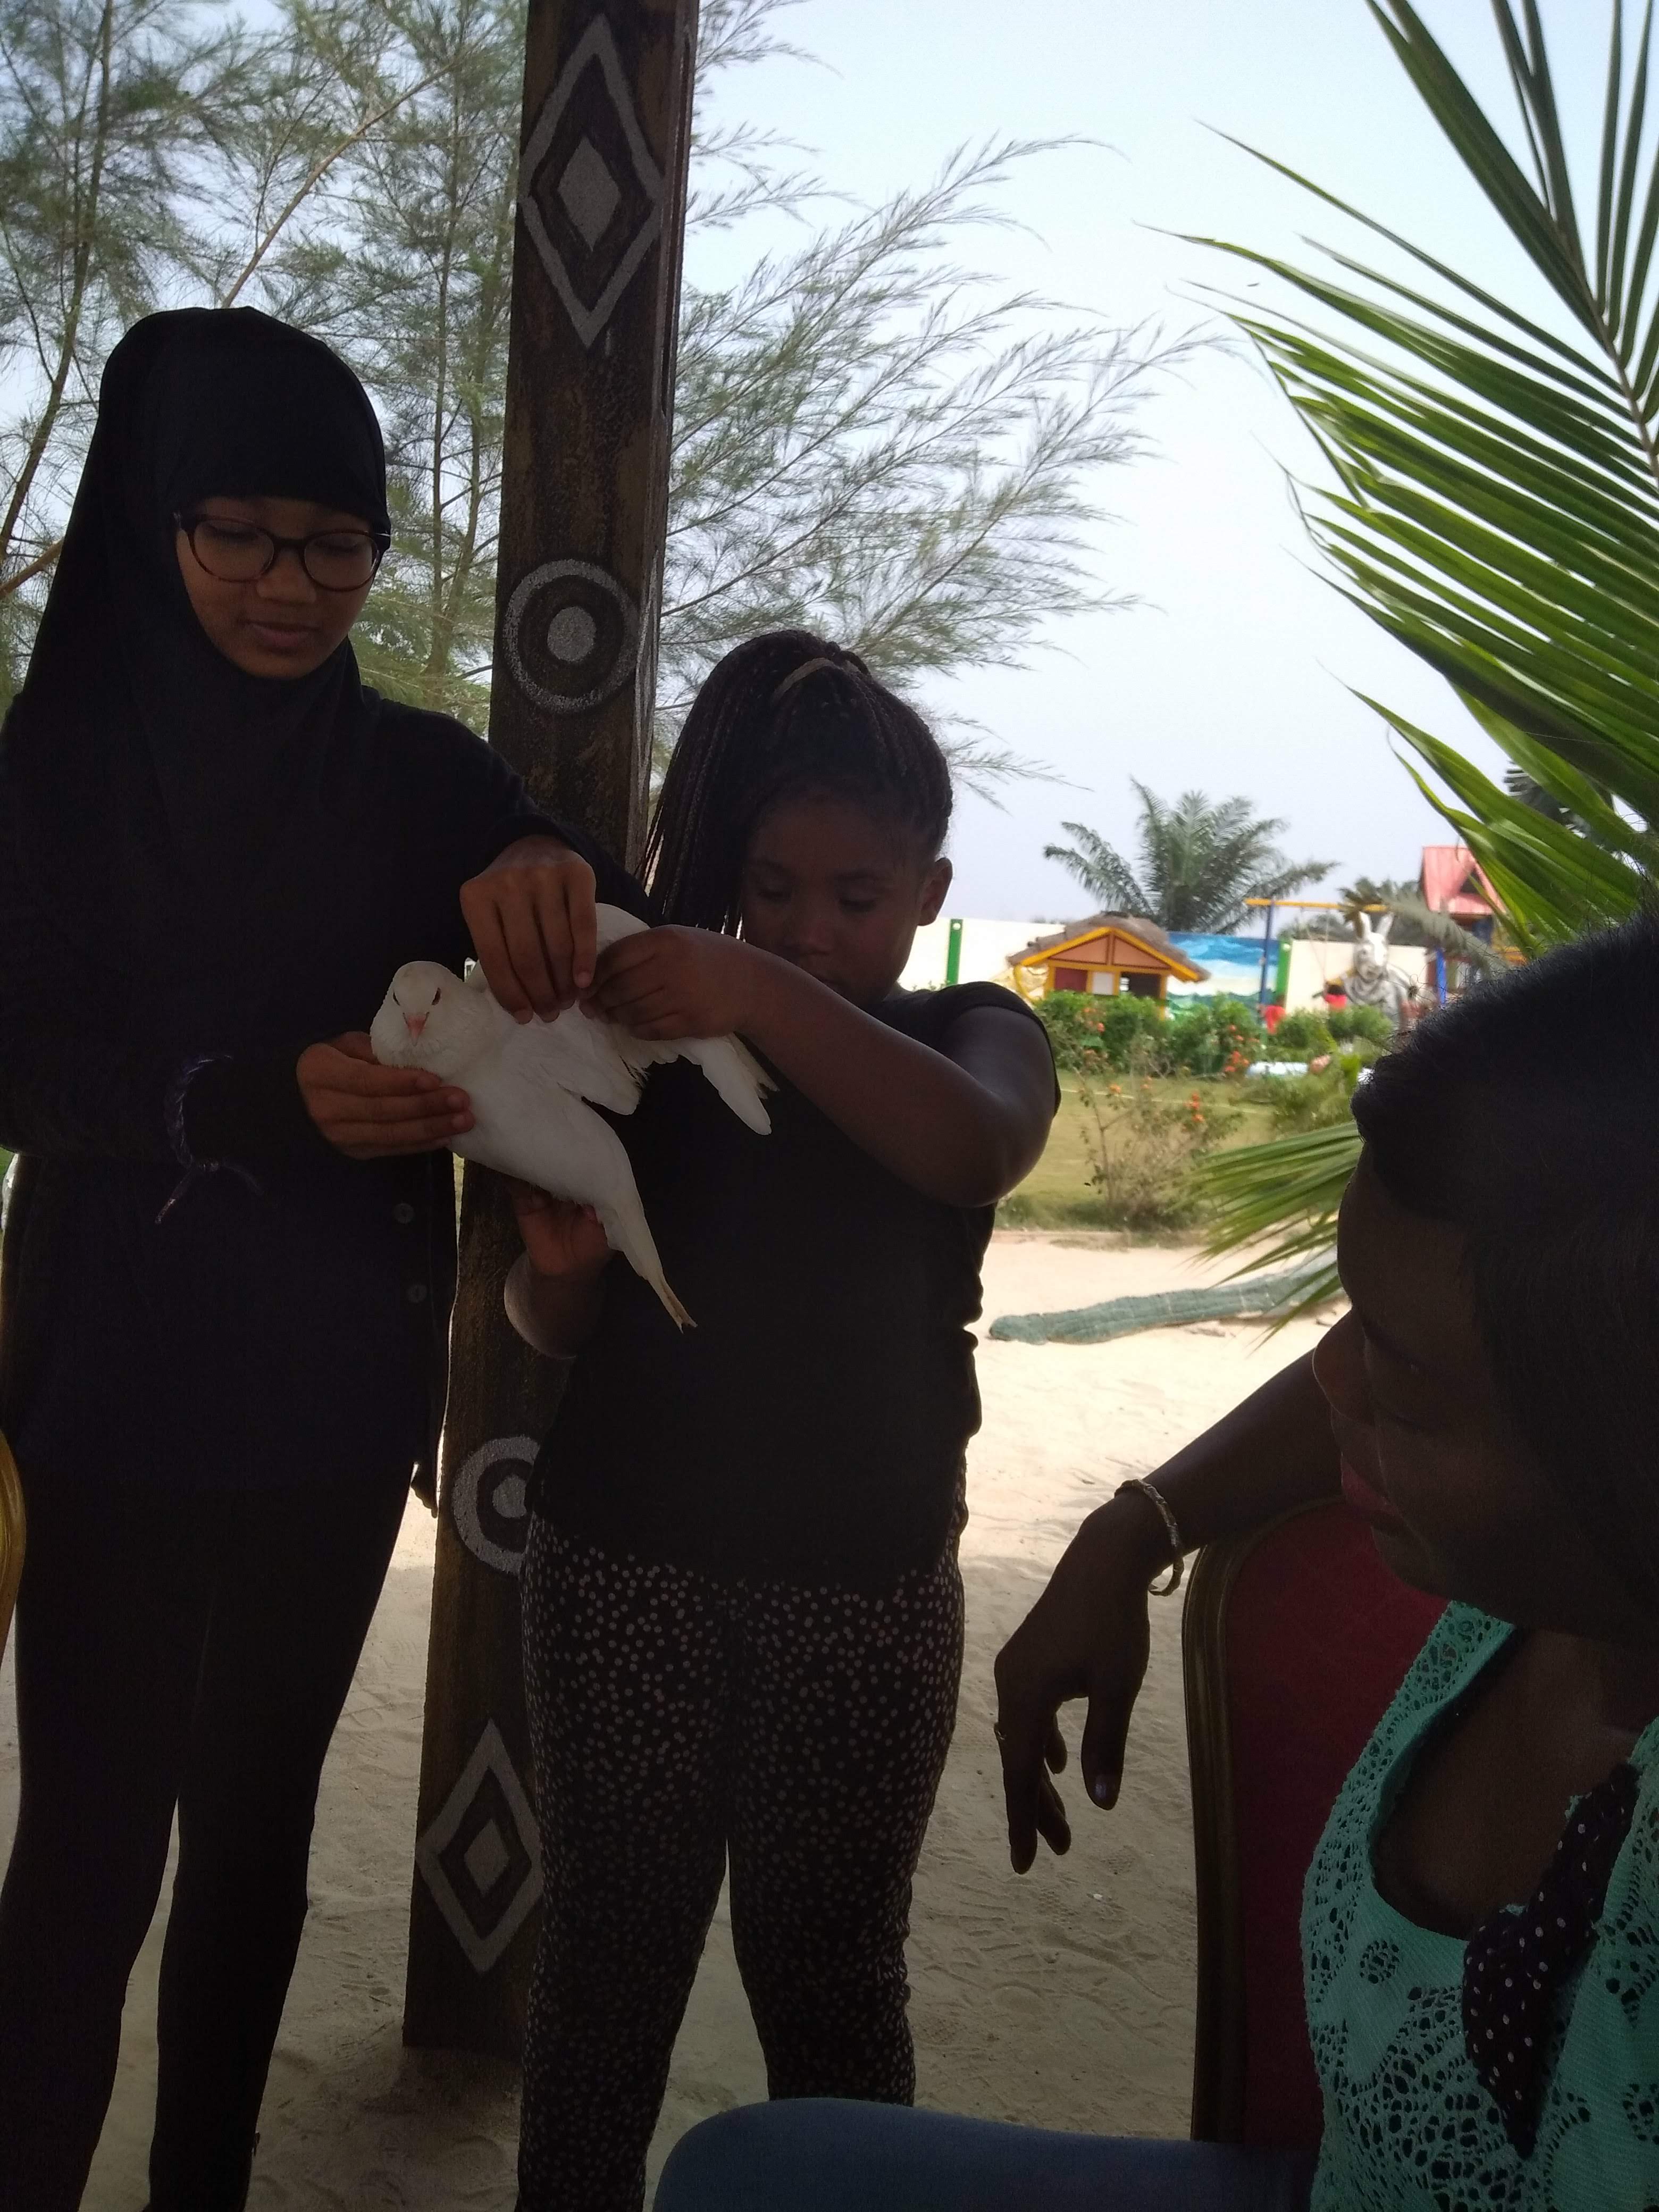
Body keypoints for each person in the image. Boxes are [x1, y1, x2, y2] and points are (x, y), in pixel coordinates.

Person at [653, 913, 1659, 2209]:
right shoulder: (1530, 1596)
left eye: (1401, 1379)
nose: (1333, 1379)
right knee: (745, 2172)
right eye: (1347, 1315)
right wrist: (1133, 1529)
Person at [0, 307, 633, 2212]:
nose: (291, 585)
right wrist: (246, 1102)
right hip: (109, 1380)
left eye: (338, 545)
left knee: (257, 1834)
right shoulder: (54, 774)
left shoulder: (414, 774)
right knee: (87, 1845)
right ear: (156, 528)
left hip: (335, 1396)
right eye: (243, 535)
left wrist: (543, 855)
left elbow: (561, 890)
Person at [500, 630, 1060, 2212]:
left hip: (864, 1591)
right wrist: (559, 1281)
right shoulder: (653, 1048)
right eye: (774, 892)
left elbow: (977, 1148)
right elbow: (552, 1326)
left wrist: (750, 981)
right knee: (605, 1968)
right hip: (623, 1565)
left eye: (857, 899)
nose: (812, 931)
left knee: (831, 1977)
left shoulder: (972, 1035)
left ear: (929, 892)